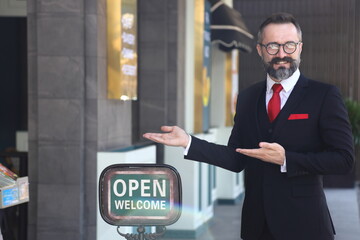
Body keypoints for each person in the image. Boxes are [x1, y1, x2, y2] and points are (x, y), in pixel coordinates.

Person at [143, 12, 354, 240]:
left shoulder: (324, 95)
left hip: (306, 226)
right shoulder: (247, 97)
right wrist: (188, 142)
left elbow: (343, 159)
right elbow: (236, 158)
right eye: (273, 46)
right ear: (260, 49)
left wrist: (287, 159)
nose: (282, 54)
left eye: (289, 45)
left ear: (300, 47)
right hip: (257, 226)